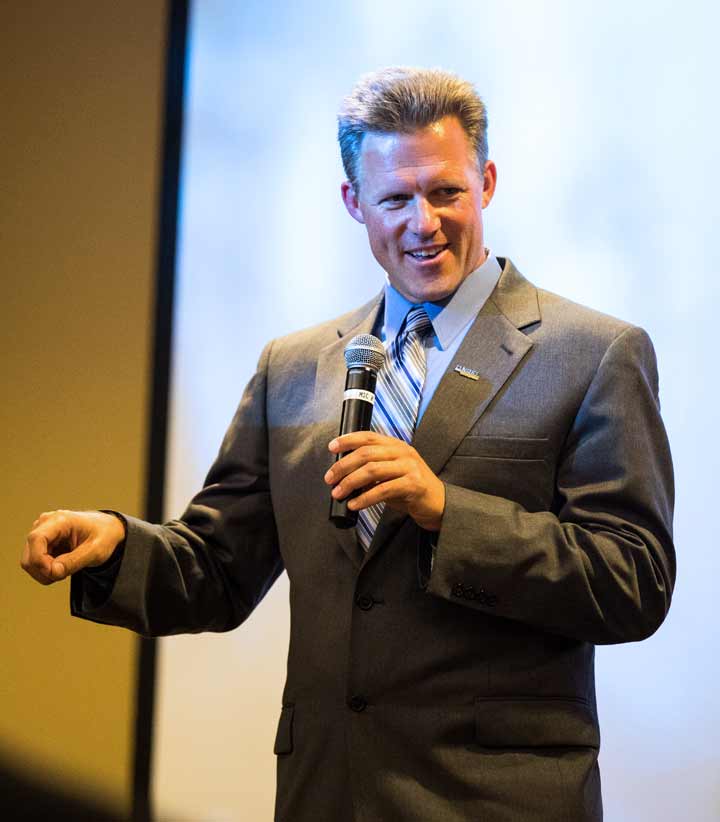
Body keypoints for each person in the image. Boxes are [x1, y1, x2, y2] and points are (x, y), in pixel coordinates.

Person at [21, 67, 675, 821]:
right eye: (395, 199)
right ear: (353, 203)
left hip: (496, 801)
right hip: (327, 793)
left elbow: (634, 580)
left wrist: (444, 510)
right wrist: (115, 547)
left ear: (486, 181)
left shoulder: (593, 353)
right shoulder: (296, 368)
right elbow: (218, 567)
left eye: (445, 192)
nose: (422, 223)